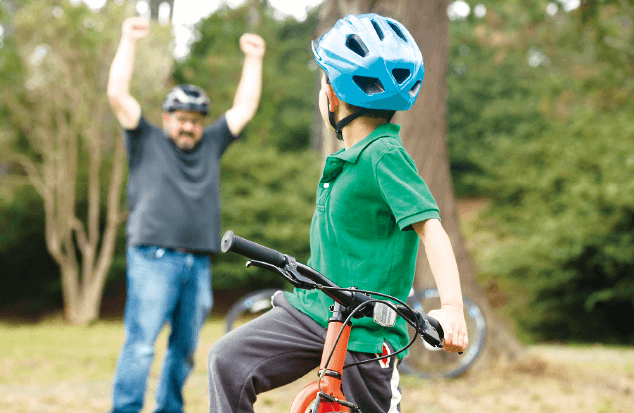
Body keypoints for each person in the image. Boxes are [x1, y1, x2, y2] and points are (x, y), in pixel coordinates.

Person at [207, 13, 467, 413]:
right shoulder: (346, 159)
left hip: (365, 332)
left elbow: (431, 228)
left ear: (332, 96)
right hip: (313, 311)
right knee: (228, 361)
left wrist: (451, 308)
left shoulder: (384, 155)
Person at [106, 16, 265, 413]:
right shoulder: (145, 140)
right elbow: (116, 94)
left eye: (195, 121)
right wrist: (128, 39)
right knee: (141, 345)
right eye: (181, 118)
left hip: (198, 262)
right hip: (153, 257)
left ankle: (169, 409)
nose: (188, 127)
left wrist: (254, 58)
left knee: (185, 351)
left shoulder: (211, 144)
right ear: (167, 118)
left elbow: (244, 108)